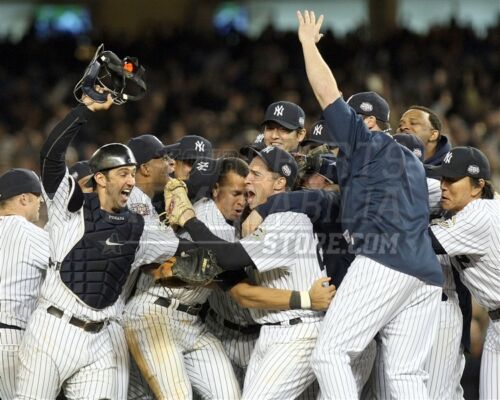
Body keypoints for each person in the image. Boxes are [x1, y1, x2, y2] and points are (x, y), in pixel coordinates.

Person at [296, 10, 443, 399]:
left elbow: (327, 93)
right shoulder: (409, 159)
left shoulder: (366, 142)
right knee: (406, 375)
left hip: (385, 261)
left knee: (329, 354)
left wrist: (309, 45)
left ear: (371, 122)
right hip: (425, 275)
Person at [15, 92, 184, 400]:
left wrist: (185, 218)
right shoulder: (72, 207)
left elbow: (179, 247)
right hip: (53, 329)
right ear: (101, 178)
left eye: (133, 174)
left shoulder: (139, 226)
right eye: (123, 174)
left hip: (101, 338)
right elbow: (51, 156)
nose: (131, 181)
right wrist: (86, 108)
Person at [166, 145, 329, 399]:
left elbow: (230, 258)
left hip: (299, 332)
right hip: (274, 331)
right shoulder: (264, 218)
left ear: (280, 183)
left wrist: (189, 220)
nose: (248, 178)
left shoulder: (287, 220)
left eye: (256, 174)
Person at [124, 152, 241, 399]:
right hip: (155, 314)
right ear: (215, 189)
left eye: (244, 194)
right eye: (236, 193)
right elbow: (155, 265)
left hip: (192, 321)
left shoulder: (195, 214)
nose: (241, 201)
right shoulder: (205, 214)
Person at [427, 146, 499, 400]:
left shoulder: (478, 213)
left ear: (478, 186)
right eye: (442, 178)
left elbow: (426, 242)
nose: (443, 186)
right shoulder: (484, 205)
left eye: (452, 179)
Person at [0, 169, 48, 400]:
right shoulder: (30, 233)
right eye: (38, 196)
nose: (41, 202)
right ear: (23, 199)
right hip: (10, 339)